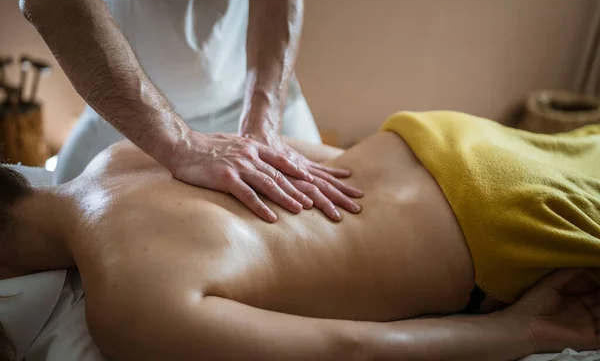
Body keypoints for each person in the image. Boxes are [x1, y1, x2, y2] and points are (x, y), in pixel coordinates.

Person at [1, 110, 600, 360]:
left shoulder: (127, 302)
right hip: (438, 139)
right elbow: (303, 160)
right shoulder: (120, 155)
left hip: (492, 224)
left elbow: (350, 349)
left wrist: (519, 332)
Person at [17, 0, 362, 223]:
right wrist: (180, 145)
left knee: (335, 208)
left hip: (252, 102)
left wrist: (264, 122)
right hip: (123, 117)